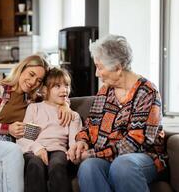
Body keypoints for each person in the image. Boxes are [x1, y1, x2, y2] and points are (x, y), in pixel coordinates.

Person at [0, 54, 74, 192]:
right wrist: (7, 129)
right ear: (21, 68)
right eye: (31, 74)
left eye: (38, 80)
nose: (32, 82)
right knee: (15, 150)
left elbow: (54, 96)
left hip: (0, 154)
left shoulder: (33, 100)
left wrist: (65, 105)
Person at [67, 34, 167, 192]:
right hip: (105, 157)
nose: (96, 74)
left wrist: (93, 154)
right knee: (88, 167)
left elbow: (136, 143)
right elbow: (91, 124)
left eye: (99, 67)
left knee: (122, 166)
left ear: (118, 67)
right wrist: (82, 141)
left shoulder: (147, 92)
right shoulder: (105, 91)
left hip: (143, 157)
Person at [17, 67, 82, 192]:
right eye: (57, 86)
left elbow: (74, 142)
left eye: (66, 85)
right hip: (35, 150)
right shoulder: (34, 108)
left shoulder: (73, 115)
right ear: (46, 90)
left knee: (57, 165)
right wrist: (38, 148)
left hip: (59, 150)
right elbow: (25, 138)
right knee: (35, 165)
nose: (64, 90)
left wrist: (73, 153)